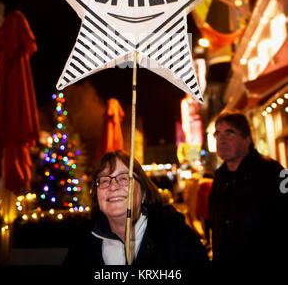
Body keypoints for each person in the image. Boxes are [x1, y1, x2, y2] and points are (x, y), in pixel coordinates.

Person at [63, 150, 209, 266]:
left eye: (124, 178)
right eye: (104, 180)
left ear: (144, 193)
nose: (113, 186)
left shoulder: (176, 237)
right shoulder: (82, 244)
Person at [208, 110, 288, 263]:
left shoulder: (272, 171)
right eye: (218, 134)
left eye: (230, 133)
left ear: (247, 139)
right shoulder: (219, 177)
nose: (222, 140)